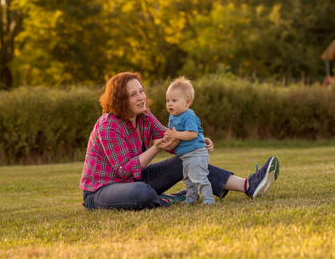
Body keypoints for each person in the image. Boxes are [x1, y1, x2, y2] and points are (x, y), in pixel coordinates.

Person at [80, 72, 280, 210]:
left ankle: (247, 185)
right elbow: (123, 169)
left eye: (141, 91)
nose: (141, 97)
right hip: (102, 190)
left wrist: (199, 141)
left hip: (134, 179)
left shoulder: (144, 116)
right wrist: (155, 149)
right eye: (133, 94)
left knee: (185, 160)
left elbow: (171, 136)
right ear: (121, 100)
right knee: (141, 192)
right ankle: (171, 199)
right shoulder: (109, 125)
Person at [164, 76, 214, 205]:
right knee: (188, 179)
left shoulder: (188, 115)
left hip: (196, 153)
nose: (169, 103)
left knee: (199, 177)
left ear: (187, 102)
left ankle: (209, 200)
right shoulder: (173, 116)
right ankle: (190, 199)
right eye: (168, 100)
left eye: (174, 100)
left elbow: (192, 134)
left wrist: (176, 134)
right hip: (185, 155)